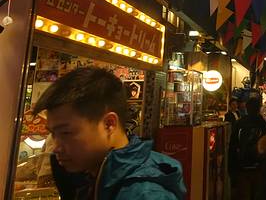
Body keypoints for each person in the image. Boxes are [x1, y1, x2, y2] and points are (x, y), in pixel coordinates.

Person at [33, 66, 186, 199]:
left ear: (109, 124)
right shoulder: (90, 177)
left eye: (66, 133)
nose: (56, 148)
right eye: (53, 134)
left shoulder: (144, 194)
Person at [229, 96, 266, 200]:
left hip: (242, 166)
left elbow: (232, 147)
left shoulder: (240, 123)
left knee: (244, 195)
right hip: (260, 167)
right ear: (259, 109)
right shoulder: (264, 124)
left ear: (247, 108)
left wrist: (232, 170)